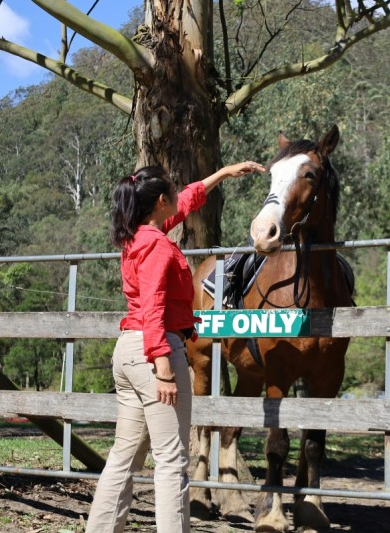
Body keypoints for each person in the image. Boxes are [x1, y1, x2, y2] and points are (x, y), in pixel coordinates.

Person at [86, 160, 265, 533]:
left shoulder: (140, 235)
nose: (176, 199)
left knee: (124, 456)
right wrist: (164, 369)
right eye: (172, 191)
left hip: (131, 352)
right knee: (171, 459)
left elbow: (186, 201)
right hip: (154, 350)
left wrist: (222, 174)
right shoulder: (157, 247)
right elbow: (153, 308)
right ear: (160, 201)